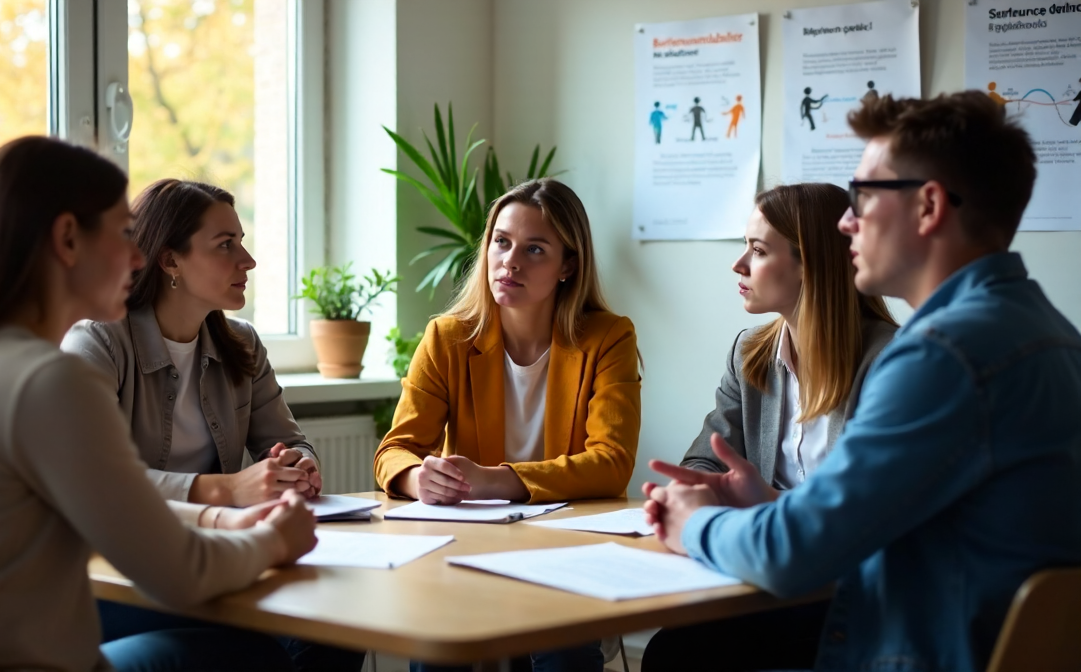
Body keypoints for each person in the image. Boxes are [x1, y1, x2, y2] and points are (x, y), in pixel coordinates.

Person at [643, 91, 1081, 671]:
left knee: (681, 657)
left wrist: (693, 523)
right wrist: (768, 501)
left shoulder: (941, 357)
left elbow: (793, 555)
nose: (847, 222)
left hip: (920, 651)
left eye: (863, 197)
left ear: (928, 208)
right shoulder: (1048, 332)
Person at [0, 136, 317, 671]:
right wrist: (276, 540)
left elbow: (106, 501)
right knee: (261, 656)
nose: (138, 258)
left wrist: (220, 520)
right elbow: (177, 571)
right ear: (68, 239)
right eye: (125, 234)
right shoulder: (46, 381)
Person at [63, 178, 363, 672]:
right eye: (227, 245)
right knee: (265, 652)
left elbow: (288, 440)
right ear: (170, 260)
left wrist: (299, 468)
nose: (248, 261)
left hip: (212, 553)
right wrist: (225, 490)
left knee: (341, 625)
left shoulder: (241, 344)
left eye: (242, 242)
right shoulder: (98, 340)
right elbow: (90, 480)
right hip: (116, 575)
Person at [375, 178, 640, 672]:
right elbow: (397, 449)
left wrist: (495, 480)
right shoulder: (447, 338)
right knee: (437, 653)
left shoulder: (608, 338)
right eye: (501, 241)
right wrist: (419, 477)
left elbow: (612, 463)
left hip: (565, 547)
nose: (510, 261)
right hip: (471, 542)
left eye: (535, 249)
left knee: (563, 653)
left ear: (569, 266)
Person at [644, 182, 896, 669]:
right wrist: (697, 490)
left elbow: (868, 514)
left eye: (758, 251)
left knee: (680, 656)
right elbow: (707, 456)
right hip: (768, 574)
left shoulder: (890, 362)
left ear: (813, 264)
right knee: (671, 651)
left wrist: (763, 502)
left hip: (849, 592)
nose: (738, 265)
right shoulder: (749, 352)